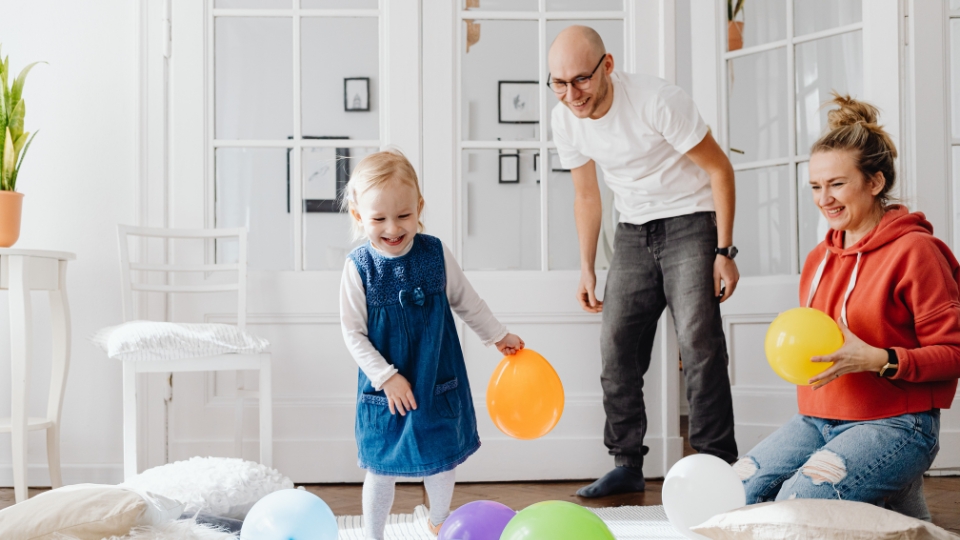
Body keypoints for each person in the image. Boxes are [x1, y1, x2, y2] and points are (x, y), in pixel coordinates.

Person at [735, 94, 960, 520]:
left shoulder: (917, 252)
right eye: (815, 187)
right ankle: (899, 502)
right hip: (817, 419)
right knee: (732, 492)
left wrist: (880, 359)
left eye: (837, 184)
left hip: (898, 423)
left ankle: (894, 484)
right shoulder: (818, 258)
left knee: (796, 507)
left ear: (874, 183)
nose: (824, 198)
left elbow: (954, 352)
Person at [548, 25, 740, 497]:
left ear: (607, 66)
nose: (572, 94)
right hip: (632, 230)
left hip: (691, 220)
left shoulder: (657, 101)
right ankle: (626, 463)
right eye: (559, 83)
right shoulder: (565, 119)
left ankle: (716, 464)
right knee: (617, 346)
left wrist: (724, 251)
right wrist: (588, 267)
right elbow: (586, 196)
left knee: (699, 344)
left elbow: (720, 168)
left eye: (581, 79)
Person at [339, 149, 524, 539]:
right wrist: (385, 377)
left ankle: (439, 520)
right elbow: (353, 333)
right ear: (358, 215)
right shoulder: (359, 267)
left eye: (404, 215)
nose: (393, 228)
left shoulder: (435, 253)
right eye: (379, 219)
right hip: (386, 388)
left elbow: (467, 301)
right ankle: (373, 534)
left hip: (436, 375)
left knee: (441, 456)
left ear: (419, 207)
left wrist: (497, 335)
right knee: (381, 464)